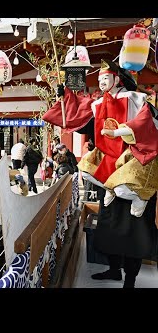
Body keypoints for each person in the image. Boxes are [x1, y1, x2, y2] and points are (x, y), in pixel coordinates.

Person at [43, 58, 158, 287]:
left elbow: (147, 125)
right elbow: (81, 118)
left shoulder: (138, 100)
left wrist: (123, 134)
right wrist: (64, 96)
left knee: (134, 228)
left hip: (132, 167)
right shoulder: (99, 103)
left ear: (117, 79)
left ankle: (131, 279)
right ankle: (114, 269)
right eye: (99, 79)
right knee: (111, 225)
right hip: (108, 172)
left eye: (105, 78)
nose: (101, 82)